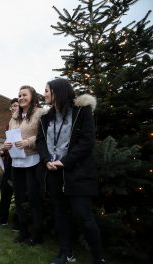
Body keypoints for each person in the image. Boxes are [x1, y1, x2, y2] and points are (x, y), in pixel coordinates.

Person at [36, 79, 105, 264]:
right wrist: (47, 160)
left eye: (47, 91)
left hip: (77, 173)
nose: (45, 94)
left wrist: (63, 162)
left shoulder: (82, 111)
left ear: (58, 91)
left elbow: (86, 142)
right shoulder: (45, 117)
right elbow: (40, 141)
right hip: (53, 172)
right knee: (59, 214)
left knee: (84, 217)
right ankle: (67, 253)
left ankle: (99, 258)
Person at [4, 85, 44, 246]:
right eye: (19, 95)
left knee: (34, 199)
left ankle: (37, 235)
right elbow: (9, 135)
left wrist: (28, 141)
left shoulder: (40, 113)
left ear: (32, 97)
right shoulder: (14, 116)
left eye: (24, 95)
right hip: (16, 161)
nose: (20, 98)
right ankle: (23, 232)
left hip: (33, 160)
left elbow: (43, 135)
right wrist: (6, 144)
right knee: (20, 199)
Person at [0, 98, 19, 228]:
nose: (14, 108)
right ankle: (2, 218)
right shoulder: (9, 125)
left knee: (20, 192)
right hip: (10, 162)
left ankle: (19, 222)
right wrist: (3, 150)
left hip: (23, 162)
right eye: (12, 106)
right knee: (5, 190)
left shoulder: (25, 122)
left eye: (16, 105)